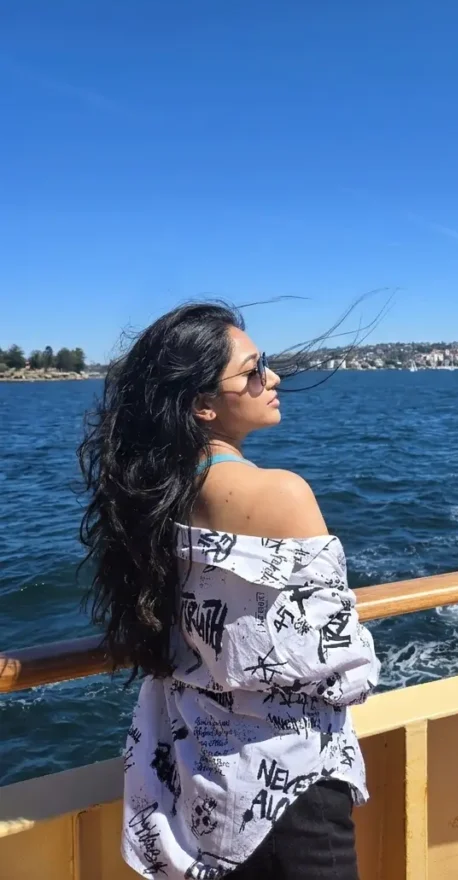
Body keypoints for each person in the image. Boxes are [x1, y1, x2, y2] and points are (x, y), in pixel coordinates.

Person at [78, 301, 380, 880]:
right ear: (203, 404)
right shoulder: (280, 495)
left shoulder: (150, 498)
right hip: (290, 790)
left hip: (200, 779)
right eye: (252, 370)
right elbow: (341, 667)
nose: (274, 378)